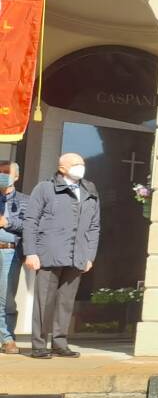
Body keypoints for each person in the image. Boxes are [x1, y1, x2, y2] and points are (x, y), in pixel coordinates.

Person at [23, 153, 100, 359]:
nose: (80, 167)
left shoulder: (89, 189)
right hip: (49, 253)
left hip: (78, 255)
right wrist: (31, 252)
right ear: (62, 168)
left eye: (82, 164)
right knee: (44, 302)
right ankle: (39, 344)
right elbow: (30, 221)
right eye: (76, 164)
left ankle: (60, 342)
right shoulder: (45, 188)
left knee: (66, 302)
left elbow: (94, 226)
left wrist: (89, 254)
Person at [0, 162, 27, 355]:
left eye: (7, 173)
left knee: (6, 297)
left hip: (10, 252)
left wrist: (7, 222)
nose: (3, 175)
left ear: (16, 177)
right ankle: (5, 338)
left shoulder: (26, 200)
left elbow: (29, 226)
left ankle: (8, 336)